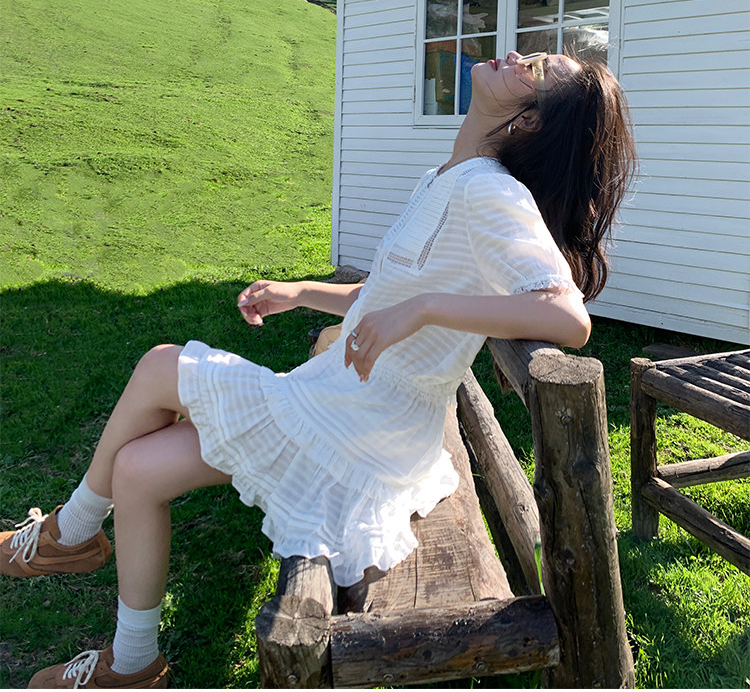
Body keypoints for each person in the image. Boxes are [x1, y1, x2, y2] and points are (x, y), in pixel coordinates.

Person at [1, 51, 636, 689]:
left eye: (536, 71)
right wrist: (299, 292)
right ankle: (132, 665)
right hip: (342, 399)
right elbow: (381, 294)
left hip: (368, 428)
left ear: (529, 122)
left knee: (162, 364)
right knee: (137, 471)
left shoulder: (490, 192)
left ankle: (69, 532)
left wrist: (423, 308)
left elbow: (567, 317)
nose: (519, 56)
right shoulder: (446, 177)